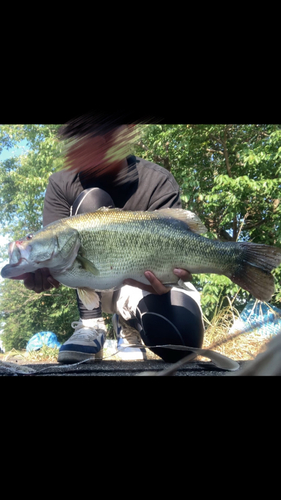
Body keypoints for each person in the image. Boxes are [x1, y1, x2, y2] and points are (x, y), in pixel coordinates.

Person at [22, 118, 205, 364]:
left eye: (103, 138)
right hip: (94, 283)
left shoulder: (158, 181)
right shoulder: (60, 184)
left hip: (144, 285)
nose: (91, 150)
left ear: (126, 133)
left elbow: (180, 244)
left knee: (181, 343)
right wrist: (40, 271)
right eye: (80, 140)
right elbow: (56, 256)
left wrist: (171, 280)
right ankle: (91, 325)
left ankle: (128, 326)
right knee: (91, 200)